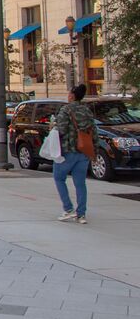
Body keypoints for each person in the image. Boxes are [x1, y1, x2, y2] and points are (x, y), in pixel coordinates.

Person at [54, 83, 96, 224]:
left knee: (59, 178)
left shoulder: (65, 110)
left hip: (68, 150)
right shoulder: (87, 111)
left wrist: (53, 126)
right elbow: (93, 132)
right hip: (84, 151)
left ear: (72, 95)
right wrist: (93, 151)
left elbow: (62, 130)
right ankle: (81, 214)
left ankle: (68, 209)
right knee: (80, 183)